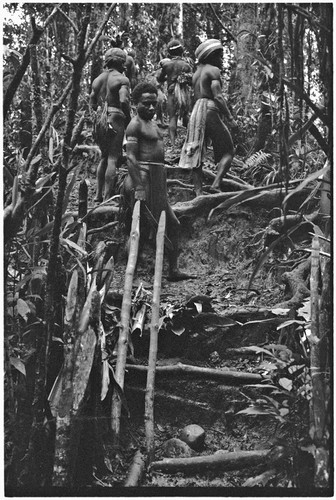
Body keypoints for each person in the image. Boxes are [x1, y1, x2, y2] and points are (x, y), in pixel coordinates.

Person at [123, 82, 196, 281]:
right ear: (135, 103)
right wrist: (138, 186)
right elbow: (130, 158)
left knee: (173, 224)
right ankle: (132, 274)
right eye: (146, 104)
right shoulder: (134, 125)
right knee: (139, 227)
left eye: (154, 103)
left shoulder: (153, 123)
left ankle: (173, 271)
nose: (151, 108)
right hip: (143, 179)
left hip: (157, 180)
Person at [178, 39, 238, 196]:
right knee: (229, 150)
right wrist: (230, 118)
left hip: (196, 110)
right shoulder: (213, 71)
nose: (221, 59)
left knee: (195, 150)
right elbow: (217, 96)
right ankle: (216, 184)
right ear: (212, 56)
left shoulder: (196, 73)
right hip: (210, 108)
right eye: (219, 56)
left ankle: (198, 191)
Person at [90, 48, 131, 202]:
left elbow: (92, 102)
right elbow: (123, 101)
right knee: (113, 157)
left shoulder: (98, 80)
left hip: (100, 120)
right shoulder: (121, 79)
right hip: (116, 116)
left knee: (104, 157)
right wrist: (128, 119)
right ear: (121, 62)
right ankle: (108, 197)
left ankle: (98, 195)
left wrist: (98, 116)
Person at [156, 40, 192, 148]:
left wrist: (170, 78)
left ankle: (173, 145)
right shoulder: (186, 65)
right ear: (181, 52)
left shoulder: (167, 65)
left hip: (172, 93)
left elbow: (160, 78)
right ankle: (190, 141)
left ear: (169, 53)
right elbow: (191, 81)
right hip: (184, 94)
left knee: (172, 118)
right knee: (186, 116)